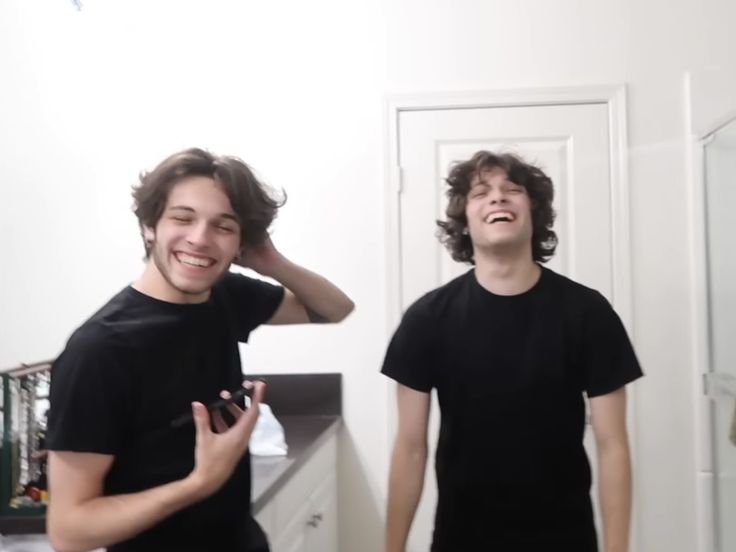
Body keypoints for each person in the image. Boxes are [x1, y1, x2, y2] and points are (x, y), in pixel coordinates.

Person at [45, 148, 354, 552]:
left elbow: (335, 309)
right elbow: (70, 530)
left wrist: (270, 260)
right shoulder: (100, 350)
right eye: (182, 217)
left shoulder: (224, 296)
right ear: (149, 225)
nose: (200, 238)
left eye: (223, 226)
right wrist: (199, 484)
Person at [382, 151, 642, 552]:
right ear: (464, 222)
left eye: (513, 190)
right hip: (461, 538)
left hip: (565, 537)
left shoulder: (588, 313)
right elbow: (410, 448)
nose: (498, 198)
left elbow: (613, 446)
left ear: (533, 214)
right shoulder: (427, 319)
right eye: (481, 192)